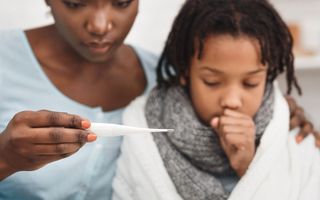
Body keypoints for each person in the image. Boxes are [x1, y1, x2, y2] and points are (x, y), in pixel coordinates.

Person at [0, 0, 316, 199]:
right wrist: (5, 159)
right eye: (76, 2)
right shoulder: (4, 58)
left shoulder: (161, 77)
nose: (99, 25)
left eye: (121, 2)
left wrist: (279, 117)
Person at [112, 0, 320, 199]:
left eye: (250, 83)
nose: (232, 100)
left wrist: (249, 167)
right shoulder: (142, 129)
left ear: (268, 75)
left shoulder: (294, 136)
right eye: (212, 81)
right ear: (185, 72)